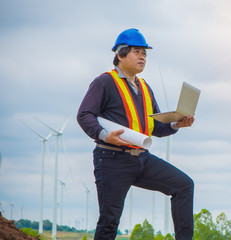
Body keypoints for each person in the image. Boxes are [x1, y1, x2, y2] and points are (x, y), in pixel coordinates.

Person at [77, 28, 195, 240]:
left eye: (145, 53)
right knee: (109, 220)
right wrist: (105, 135)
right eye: (137, 52)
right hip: (111, 159)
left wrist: (177, 124)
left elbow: (155, 128)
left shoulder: (145, 87)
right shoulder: (104, 82)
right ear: (121, 54)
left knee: (184, 185)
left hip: (141, 158)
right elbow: (84, 115)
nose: (143, 57)